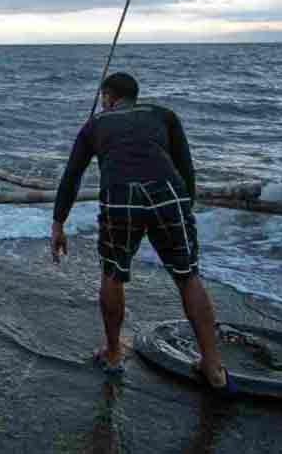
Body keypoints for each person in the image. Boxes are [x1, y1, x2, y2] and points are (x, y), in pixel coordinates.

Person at [51, 72, 229, 391]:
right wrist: (184, 205)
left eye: (104, 96)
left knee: (113, 273)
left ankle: (114, 352)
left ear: (108, 96)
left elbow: (71, 177)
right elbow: (185, 168)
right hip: (168, 192)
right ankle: (213, 365)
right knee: (188, 275)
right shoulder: (163, 115)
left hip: (121, 195)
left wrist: (58, 224)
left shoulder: (95, 124)